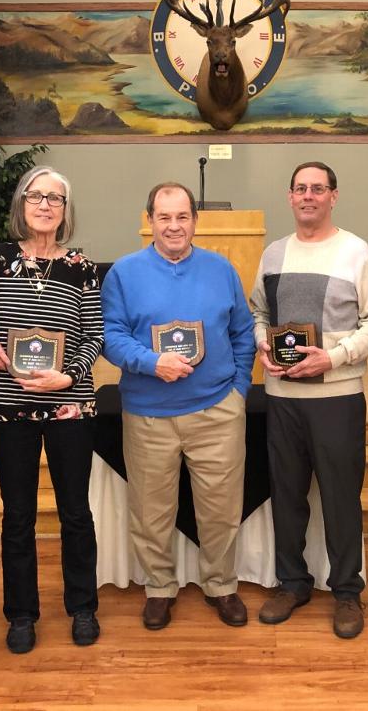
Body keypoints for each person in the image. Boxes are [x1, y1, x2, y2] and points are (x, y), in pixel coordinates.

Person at [100, 181, 255, 630]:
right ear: (150, 220)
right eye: (164, 217)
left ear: (195, 221)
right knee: (151, 512)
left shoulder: (221, 269)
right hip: (149, 414)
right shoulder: (124, 273)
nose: (173, 226)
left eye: (182, 216)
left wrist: (239, 390)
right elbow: (111, 336)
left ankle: (221, 585)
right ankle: (159, 587)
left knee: (221, 509)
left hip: (217, 411)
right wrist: (151, 363)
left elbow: (243, 332)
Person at [251, 161, 368, 639]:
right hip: (282, 396)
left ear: (333, 195)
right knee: (287, 494)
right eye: (300, 188)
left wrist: (333, 358)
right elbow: (258, 312)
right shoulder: (273, 254)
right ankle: (292, 583)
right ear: (289, 196)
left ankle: (347, 591)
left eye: (317, 188)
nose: (308, 196)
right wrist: (262, 343)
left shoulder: (355, 252)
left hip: (337, 396)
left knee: (340, 497)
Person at [0, 166, 103, 654]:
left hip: (70, 406)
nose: (45, 205)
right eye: (35, 196)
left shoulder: (82, 267)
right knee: (18, 515)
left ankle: (83, 607)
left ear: (66, 209)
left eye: (55, 198)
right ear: (21, 204)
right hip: (10, 408)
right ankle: (21, 614)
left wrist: (70, 377)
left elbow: (95, 335)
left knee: (75, 512)